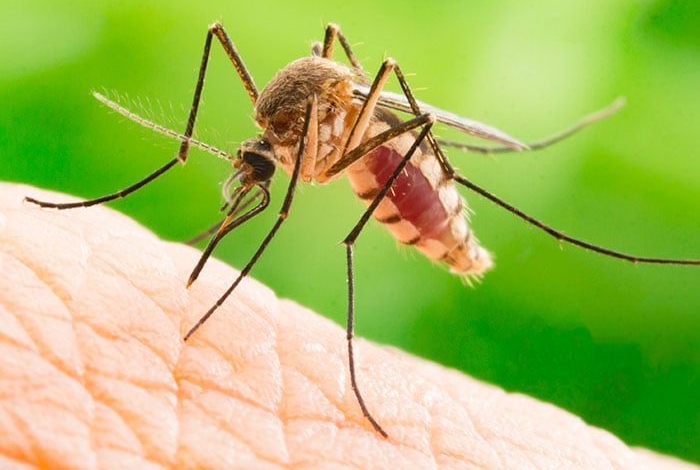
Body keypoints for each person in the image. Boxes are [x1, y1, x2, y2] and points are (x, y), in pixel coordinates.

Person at [1, 183, 694, 469]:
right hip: (353, 128)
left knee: (355, 204)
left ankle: (579, 239)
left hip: (390, 145)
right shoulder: (284, 123)